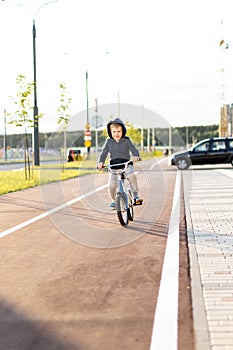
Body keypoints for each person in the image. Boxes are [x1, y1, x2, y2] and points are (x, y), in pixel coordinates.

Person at [97, 118, 142, 209]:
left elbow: (133, 149)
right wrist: (100, 162)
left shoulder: (126, 140)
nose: (116, 134)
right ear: (110, 132)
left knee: (131, 176)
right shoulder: (108, 142)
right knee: (112, 185)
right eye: (114, 132)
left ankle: (135, 195)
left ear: (123, 131)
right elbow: (104, 153)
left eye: (119, 131)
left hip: (126, 165)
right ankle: (114, 200)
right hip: (114, 166)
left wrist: (136, 156)